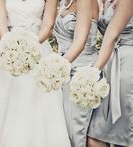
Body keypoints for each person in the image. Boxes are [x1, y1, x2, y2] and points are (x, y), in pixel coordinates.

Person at [0, 0, 71, 147]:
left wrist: (29, 48)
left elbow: (48, 26)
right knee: (8, 110)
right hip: (8, 52)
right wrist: (13, 48)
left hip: (39, 51)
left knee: (40, 109)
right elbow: (1, 24)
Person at [54, 0, 99, 146]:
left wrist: (55, 68)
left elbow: (80, 43)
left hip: (81, 75)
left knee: (76, 131)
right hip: (64, 71)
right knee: (64, 130)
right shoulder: (64, 2)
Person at [88, 0, 133, 147]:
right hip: (111, 63)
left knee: (123, 134)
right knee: (98, 135)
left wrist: (91, 74)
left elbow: (112, 35)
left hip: (126, 66)